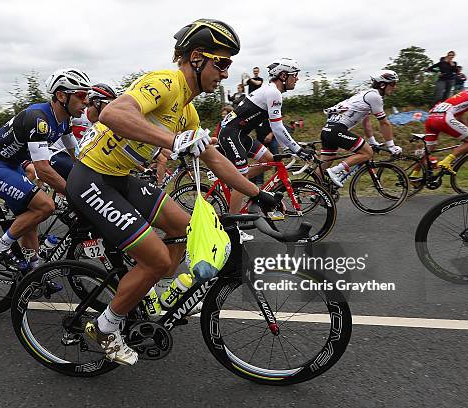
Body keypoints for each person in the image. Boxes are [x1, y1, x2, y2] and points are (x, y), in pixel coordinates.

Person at [66, 19, 278, 366]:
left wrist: (258, 192)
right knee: (158, 259)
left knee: (185, 227)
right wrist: (173, 141)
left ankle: (143, 288)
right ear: (196, 57)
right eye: (221, 63)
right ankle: (104, 327)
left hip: (122, 177)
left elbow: (213, 158)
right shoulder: (165, 82)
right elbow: (113, 113)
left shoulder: (187, 109)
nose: (225, 73)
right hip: (91, 178)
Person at [0, 68, 90, 271]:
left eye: (87, 96)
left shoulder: (64, 121)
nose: (86, 102)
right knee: (46, 206)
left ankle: (33, 273)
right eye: (81, 96)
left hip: (10, 166)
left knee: (30, 221)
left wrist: (90, 176)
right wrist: (73, 193)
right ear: (61, 96)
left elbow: (77, 155)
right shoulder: (39, 120)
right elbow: (43, 169)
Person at [216, 57, 313, 241]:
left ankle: (236, 180)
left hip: (240, 134)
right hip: (230, 133)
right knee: (241, 179)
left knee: (269, 160)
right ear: (283, 76)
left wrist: (294, 146)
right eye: (295, 76)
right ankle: (231, 229)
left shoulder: (270, 91)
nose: (297, 79)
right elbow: (277, 128)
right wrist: (297, 149)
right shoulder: (273, 93)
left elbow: (277, 126)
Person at [323, 70, 402, 187]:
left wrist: (372, 142)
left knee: (323, 165)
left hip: (327, 130)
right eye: (392, 84)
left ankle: (314, 192)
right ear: (382, 84)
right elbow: (384, 123)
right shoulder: (375, 97)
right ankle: (336, 171)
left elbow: (366, 123)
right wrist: (391, 146)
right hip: (337, 130)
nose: (395, 87)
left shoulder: (366, 94)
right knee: (367, 153)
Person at [421, 73, 468, 173]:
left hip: (431, 117)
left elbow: (459, 116)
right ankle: (447, 161)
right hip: (443, 117)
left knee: (428, 150)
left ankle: (415, 175)